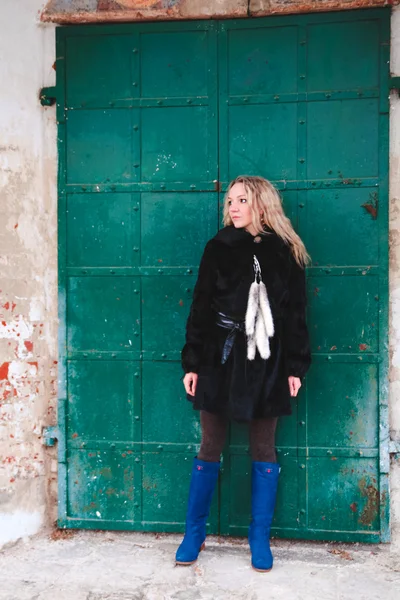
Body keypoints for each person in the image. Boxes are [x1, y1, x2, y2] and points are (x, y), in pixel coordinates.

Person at [175, 175, 312, 572]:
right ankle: (194, 534)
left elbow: (296, 313)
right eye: (230, 201)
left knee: (263, 448)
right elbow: (200, 308)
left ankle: (259, 538)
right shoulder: (217, 248)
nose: (232, 207)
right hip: (220, 356)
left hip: (266, 358)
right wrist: (193, 363)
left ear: (261, 205)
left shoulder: (285, 251)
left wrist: (296, 366)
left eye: (241, 200)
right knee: (210, 445)